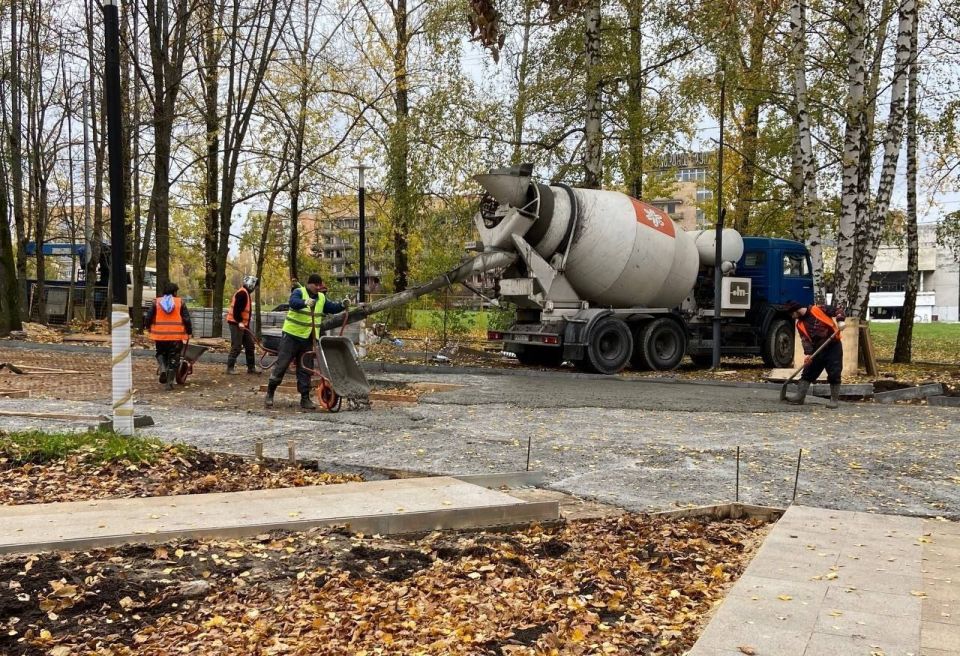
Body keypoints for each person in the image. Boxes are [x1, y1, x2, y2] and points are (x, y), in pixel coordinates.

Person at [265, 273, 348, 410]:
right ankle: (270, 393)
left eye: (319, 286)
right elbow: (293, 303)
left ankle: (305, 398)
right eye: (316, 285)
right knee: (282, 365)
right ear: (310, 284)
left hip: (308, 338)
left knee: (305, 369)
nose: (318, 288)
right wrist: (305, 302)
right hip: (291, 336)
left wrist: (342, 305)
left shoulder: (321, 298)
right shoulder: (299, 292)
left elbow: (331, 307)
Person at [784, 300, 845, 409]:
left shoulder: (819, 309)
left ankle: (834, 400)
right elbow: (805, 340)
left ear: (796, 310)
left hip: (833, 346)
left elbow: (838, 309)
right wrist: (808, 354)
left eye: (792, 314)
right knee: (808, 372)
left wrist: (840, 321)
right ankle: (800, 397)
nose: (792, 317)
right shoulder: (800, 324)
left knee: (834, 372)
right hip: (817, 350)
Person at [145, 282, 192, 390]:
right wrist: (189, 331)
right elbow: (186, 319)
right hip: (175, 337)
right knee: (174, 357)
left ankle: (162, 368)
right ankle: (169, 383)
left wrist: (148, 327)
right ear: (175, 292)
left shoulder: (156, 302)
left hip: (160, 336)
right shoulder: (180, 302)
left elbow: (148, 317)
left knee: (160, 353)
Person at [226, 275, 260, 375]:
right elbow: (237, 310)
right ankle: (230, 368)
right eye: (255, 286)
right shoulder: (242, 293)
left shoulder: (245, 293)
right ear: (251, 285)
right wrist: (240, 321)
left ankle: (251, 368)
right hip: (236, 323)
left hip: (243, 324)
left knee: (250, 345)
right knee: (236, 345)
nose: (255, 288)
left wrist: (245, 322)